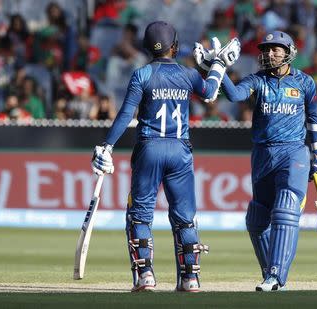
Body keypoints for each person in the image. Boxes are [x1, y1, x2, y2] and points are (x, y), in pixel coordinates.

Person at [91, 21, 240, 292]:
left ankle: (145, 276)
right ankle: (190, 278)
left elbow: (126, 115)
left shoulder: (142, 75)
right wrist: (218, 65)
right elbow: (209, 94)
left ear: (148, 47)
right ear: (174, 46)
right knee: (185, 217)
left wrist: (107, 145)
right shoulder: (187, 74)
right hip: (179, 150)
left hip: (150, 148)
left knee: (140, 215)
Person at [194, 31, 317, 291]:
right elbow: (234, 96)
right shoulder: (258, 80)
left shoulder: (305, 82)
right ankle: (271, 275)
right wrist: (214, 68)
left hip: (294, 152)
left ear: (289, 51)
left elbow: (314, 119)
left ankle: (277, 276)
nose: (269, 54)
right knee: (257, 220)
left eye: (276, 49)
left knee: (286, 208)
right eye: (266, 49)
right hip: (263, 155)